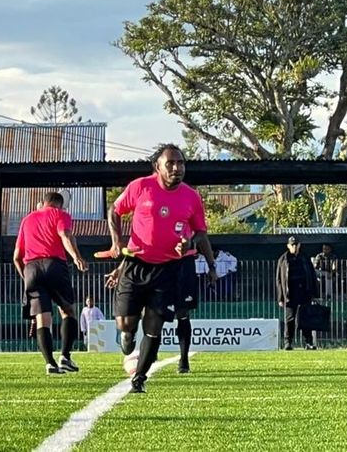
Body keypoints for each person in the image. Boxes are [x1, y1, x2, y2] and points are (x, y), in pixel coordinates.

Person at [104, 144, 217, 393]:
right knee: (125, 323)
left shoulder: (191, 196)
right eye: (171, 163)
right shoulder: (140, 187)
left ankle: (139, 378)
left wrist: (191, 244)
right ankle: (127, 335)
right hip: (135, 264)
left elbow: (200, 231)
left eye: (181, 163)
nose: (177, 168)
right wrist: (116, 241)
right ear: (158, 167)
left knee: (154, 327)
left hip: (168, 269)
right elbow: (115, 210)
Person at [13, 192, 88, 375]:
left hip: (31, 269)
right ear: (60, 204)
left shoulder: (27, 219)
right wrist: (76, 257)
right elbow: (65, 235)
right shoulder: (60, 214)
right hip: (54, 265)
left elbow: (16, 257)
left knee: (42, 318)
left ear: (44, 202)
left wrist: (26, 278)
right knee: (68, 310)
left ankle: (50, 363)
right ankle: (65, 357)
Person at [276, 236, 319, 350]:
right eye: (292, 245)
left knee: (306, 318)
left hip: (304, 292)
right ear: (288, 246)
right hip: (290, 293)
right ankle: (288, 343)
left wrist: (314, 294)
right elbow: (279, 280)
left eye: (296, 244)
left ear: (299, 245)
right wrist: (280, 297)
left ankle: (308, 342)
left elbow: (312, 275)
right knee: (290, 319)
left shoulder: (304, 258)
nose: (294, 247)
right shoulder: (283, 259)